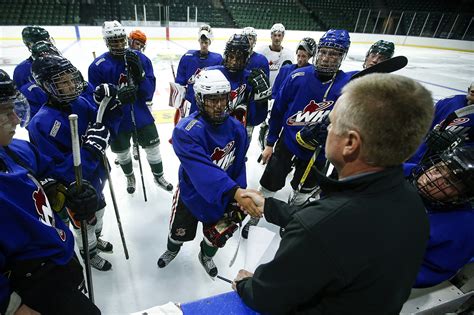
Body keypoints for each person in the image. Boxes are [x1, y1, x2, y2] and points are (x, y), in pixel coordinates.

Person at [232, 73, 435, 314]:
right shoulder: (411, 202)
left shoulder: (320, 228)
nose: (325, 128)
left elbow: (267, 296)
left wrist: (246, 284)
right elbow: (337, 228)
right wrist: (269, 206)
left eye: (331, 123)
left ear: (350, 144)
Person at [0, 69, 101, 314]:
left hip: (61, 257)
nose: (15, 118)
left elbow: (55, 178)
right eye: (4, 112)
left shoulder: (18, 150)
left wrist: (73, 193)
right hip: (31, 283)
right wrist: (10, 306)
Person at [242, 29, 352, 238]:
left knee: (303, 192)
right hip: (288, 143)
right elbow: (278, 111)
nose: (327, 58)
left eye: (334, 54)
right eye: (324, 52)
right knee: (269, 184)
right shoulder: (297, 76)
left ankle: (292, 219)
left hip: (319, 152)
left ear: (342, 57)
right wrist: (270, 143)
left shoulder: (347, 85)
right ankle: (256, 215)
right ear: (317, 52)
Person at [156, 69, 257, 277]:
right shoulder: (186, 130)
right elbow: (202, 171)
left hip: (225, 195)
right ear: (200, 100)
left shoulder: (237, 128)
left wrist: (240, 195)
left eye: (223, 99)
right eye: (212, 100)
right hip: (190, 196)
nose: (219, 105)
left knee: (216, 236)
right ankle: (172, 249)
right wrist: (236, 192)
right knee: (178, 232)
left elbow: (239, 165)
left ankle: (206, 255)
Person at [28, 55, 122, 271]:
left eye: (72, 79)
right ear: (47, 86)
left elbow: (101, 125)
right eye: (63, 82)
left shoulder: (79, 103)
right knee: (83, 225)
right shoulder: (41, 124)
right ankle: (88, 252)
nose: (71, 85)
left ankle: (95, 241)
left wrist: (110, 103)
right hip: (76, 189)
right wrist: (89, 150)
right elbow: (58, 171)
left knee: (99, 212)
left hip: (96, 177)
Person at [88, 20, 172, 194]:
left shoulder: (141, 58)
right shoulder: (97, 66)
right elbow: (95, 100)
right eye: (114, 41)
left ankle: (158, 176)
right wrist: (117, 97)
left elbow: (148, 93)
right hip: (116, 118)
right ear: (106, 42)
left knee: (153, 147)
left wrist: (140, 74)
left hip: (140, 113)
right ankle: (129, 176)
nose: (119, 44)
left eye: (121, 39)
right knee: (122, 152)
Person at [406, 145, 474, 288]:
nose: (432, 179)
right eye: (437, 169)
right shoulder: (405, 171)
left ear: (462, 195)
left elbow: (428, 272)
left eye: (448, 182)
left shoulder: (463, 228)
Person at [188, 34, 271, 139]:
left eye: (239, 58)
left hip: (237, 134)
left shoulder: (251, 79)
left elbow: (255, 119)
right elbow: (196, 111)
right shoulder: (210, 73)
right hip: (210, 132)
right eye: (231, 57)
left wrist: (262, 101)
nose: (234, 61)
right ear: (226, 56)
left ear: (246, 59)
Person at [407, 82, 474, 164]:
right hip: (416, 156)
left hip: (444, 167)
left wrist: (460, 147)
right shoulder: (450, 101)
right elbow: (423, 127)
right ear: (468, 88)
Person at [174, 24, 223, 118]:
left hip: (210, 103)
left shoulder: (217, 59)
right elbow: (180, 82)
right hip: (190, 103)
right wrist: (180, 98)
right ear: (199, 41)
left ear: (210, 42)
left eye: (206, 42)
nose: (204, 45)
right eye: (202, 42)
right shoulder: (187, 57)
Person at [256, 23, 294, 87]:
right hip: (263, 88)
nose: (277, 38)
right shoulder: (261, 52)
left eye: (279, 35)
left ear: (283, 37)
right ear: (271, 36)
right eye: (275, 35)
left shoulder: (288, 54)